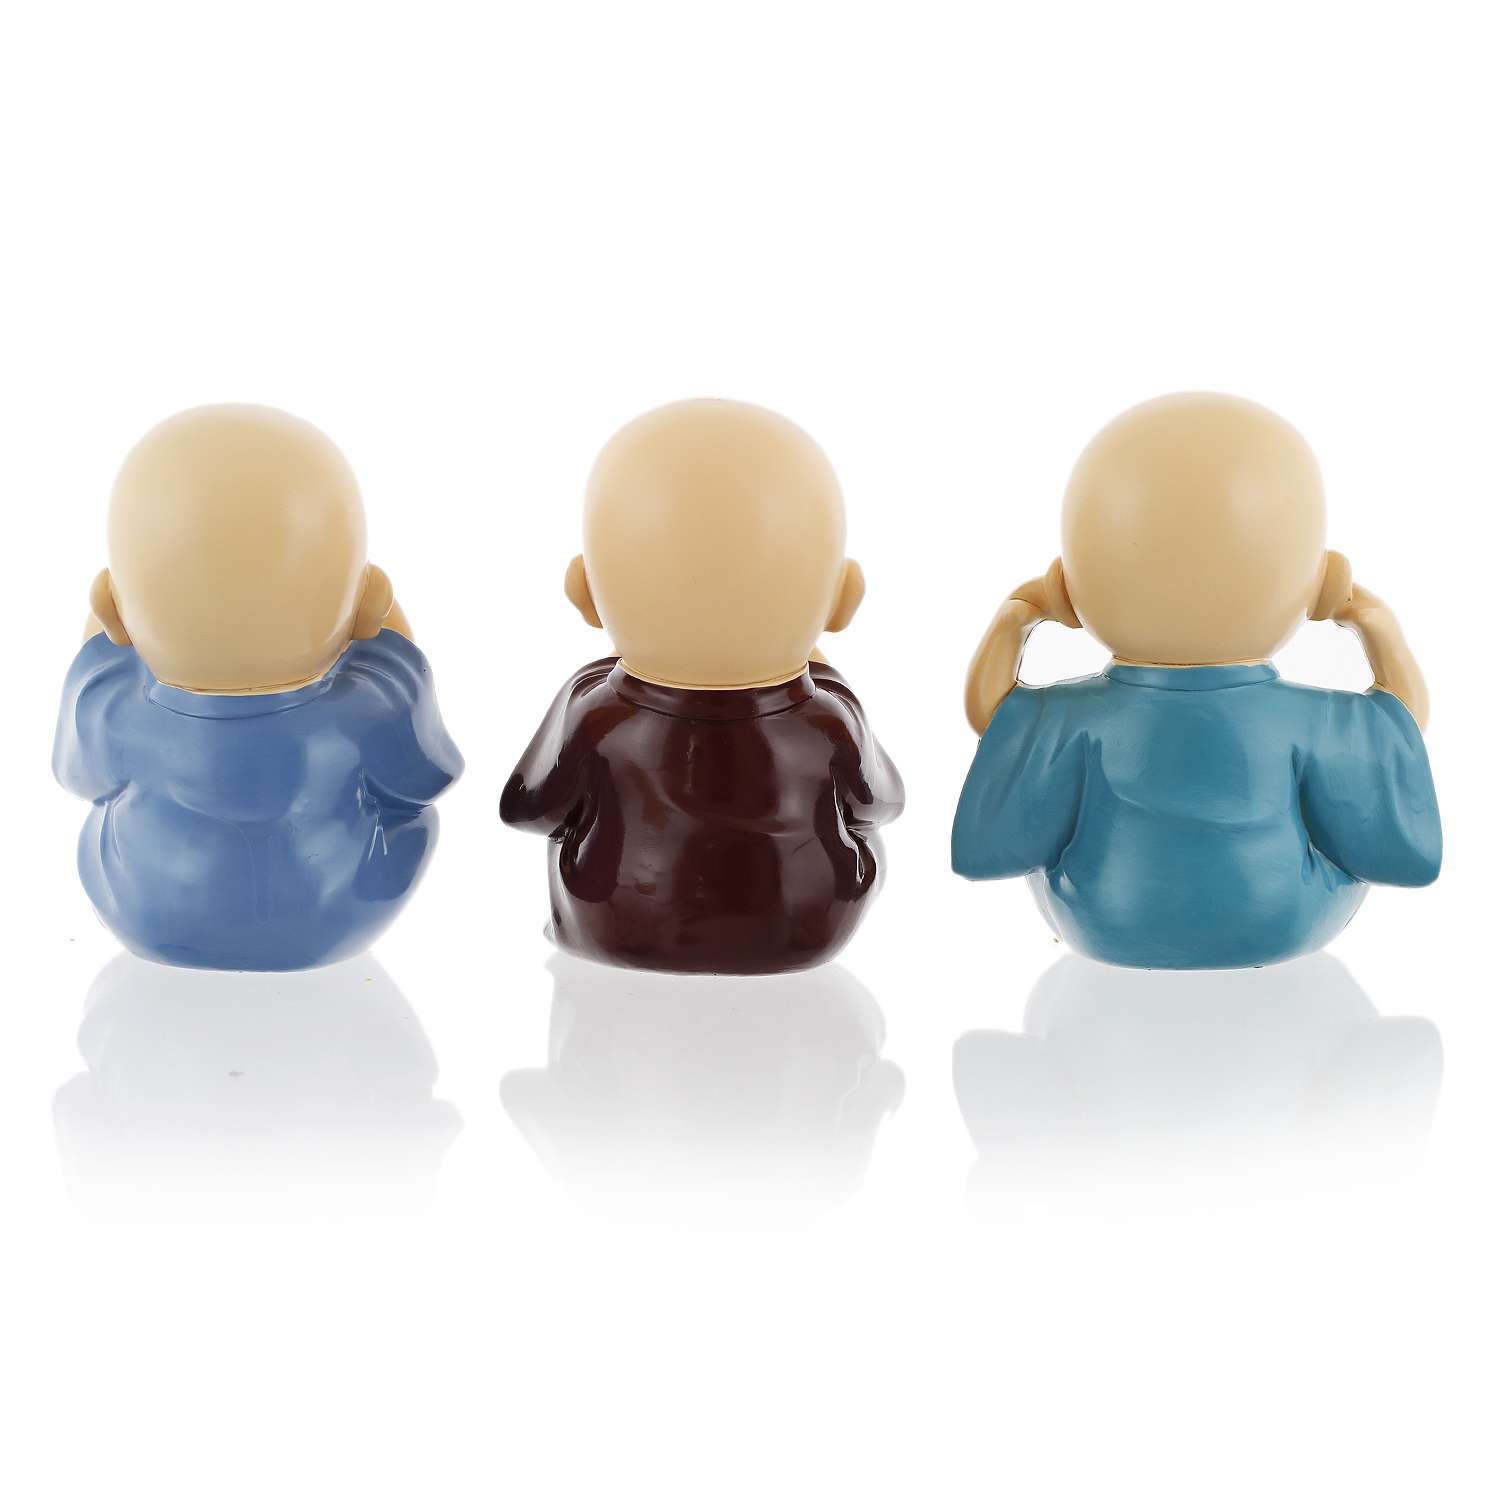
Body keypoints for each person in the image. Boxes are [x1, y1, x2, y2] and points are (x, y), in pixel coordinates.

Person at [952, 392, 1440, 969]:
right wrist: (1377, 627)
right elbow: (1400, 723)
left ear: (1067, 581)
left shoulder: (1071, 717)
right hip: (1277, 916)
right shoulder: (1307, 721)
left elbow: (994, 717)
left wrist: (1015, 620)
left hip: (1107, 918)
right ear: (1322, 580)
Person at [53, 404, 462, 970]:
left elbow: (78, 775)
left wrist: (108, 642)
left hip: (151, 916)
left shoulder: (114, 708)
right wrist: (390, 644)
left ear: (112, 606)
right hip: (336, 914)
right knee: (414, 822)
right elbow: (425, 778)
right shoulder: (367, 707)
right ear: (368, 600)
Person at [502, 398, 903, 974]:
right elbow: (881, 803)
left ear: (585, 592)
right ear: (843, 599)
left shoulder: (595, 714)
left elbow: (527, 808)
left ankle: (577, 932)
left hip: (618, 926)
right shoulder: (828, 721)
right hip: (803, 929)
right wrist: (821, 676)